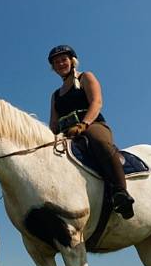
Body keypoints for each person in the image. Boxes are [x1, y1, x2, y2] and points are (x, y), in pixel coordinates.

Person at [47, 45, 135, 219]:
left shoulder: (86, 77)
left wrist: (84, 125)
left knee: (99, 142)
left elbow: (96, 102)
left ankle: (121, 192)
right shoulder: (55, 95)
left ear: (72, 61)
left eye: (63, 59)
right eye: (56, 62)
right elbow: (53, 123)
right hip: (66, 133)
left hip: (90, 125)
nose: (60, 64)